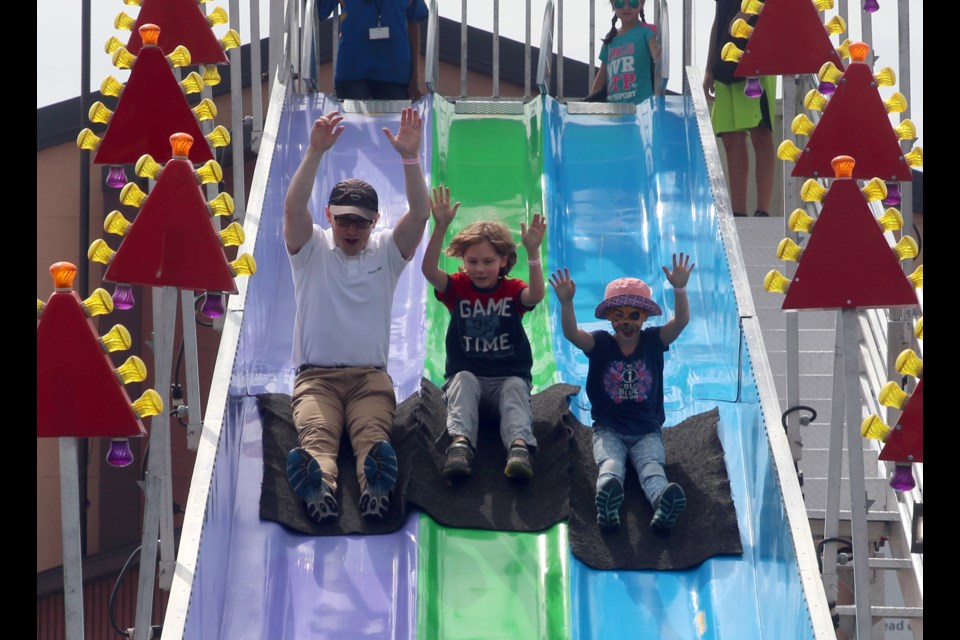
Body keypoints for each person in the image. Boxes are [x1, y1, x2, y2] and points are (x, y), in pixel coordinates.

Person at [283, 107, 430, 524]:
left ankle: (376, 484)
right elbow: (293, 210)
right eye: (344, 219)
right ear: (329, 216)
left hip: (370, 378)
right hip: (316, 379)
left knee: (372, 432)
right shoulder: (310, 249)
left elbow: (419, 215)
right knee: (317, 436)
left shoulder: (386, 252)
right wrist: (314, 152)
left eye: (361, 222)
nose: (352, 228)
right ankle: (319, 486)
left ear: (375, 222)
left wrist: (410, 158)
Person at [549, 254, 695, 532]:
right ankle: (608, 503)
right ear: (608, 317)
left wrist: (679, 289)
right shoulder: (600, 343)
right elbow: (571, 334)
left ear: (645, 317)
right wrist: (566, 302)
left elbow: (681, 322)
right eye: (619, 316)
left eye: (633, 316)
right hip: (608, 429)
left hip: (647, 430)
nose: (626, 322)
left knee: (652, 466)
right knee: (610, 465)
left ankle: (662, 502)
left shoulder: (654, 341)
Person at [421, 186, 547, 482]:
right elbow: (428, 270)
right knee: (463, 380)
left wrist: (533, 254)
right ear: (462, 261)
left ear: (503, 261)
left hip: (506, 378)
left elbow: (536, 295)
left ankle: (518, 448)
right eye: (473, 261)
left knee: (517, 387)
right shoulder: (458, 288)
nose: (480, 269)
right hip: (470, 379)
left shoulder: (512, 289)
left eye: (488, 261)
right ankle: (460, 445)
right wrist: (440, 227)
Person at [703, 0, 776, 218]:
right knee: (730, 137)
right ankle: (738, 212)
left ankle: (762, 210)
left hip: (757, 54)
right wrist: (709, 68)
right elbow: (719, 19)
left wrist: (745, 13)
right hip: (725, 56)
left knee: (760, 131)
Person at [319, 0, 429, 101]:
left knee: (393, 123)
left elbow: (413, 21)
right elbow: (319, 9)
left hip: (394, 73)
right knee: (354, 122)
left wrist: (415, 74)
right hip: (352, 72)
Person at [588, 0, 661, 105]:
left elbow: (655, 52)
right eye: (620, 3)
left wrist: (658, 52)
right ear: (613, 6)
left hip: (640, 108)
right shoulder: (610, 40)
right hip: (613, 110)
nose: (626, 8)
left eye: (632, 2)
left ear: (642, 4)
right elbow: (602, 76)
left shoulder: (647, 30)